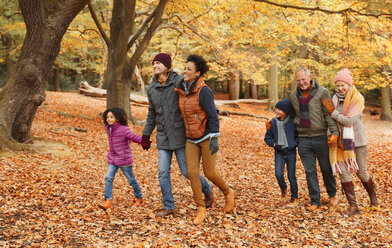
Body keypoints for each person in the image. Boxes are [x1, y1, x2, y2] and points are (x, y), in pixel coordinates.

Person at [142, 53, 213, 217]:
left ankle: (207, 188)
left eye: (158, 63)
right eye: (153, 63)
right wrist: (146, 135)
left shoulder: (180, 82)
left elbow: (195, 98)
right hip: (163, 136)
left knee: (187, 171)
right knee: (162, 172)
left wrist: (202, 119)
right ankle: (168, 205)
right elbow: (151, 114)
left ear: (167, 66)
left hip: (181, 134)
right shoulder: (151, 88)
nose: (155, 66)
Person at [175, 54, 235, 225]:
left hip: (206, 136)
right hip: (190, 138)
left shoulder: (204, 90)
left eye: (189, 69)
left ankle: (227, 192)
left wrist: (215, 136)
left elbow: (213, 115)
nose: (185, 71)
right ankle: (200, 208)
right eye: (185, 68)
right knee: (191, 173)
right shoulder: (181, 89)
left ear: (197, 73)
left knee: (210, 173)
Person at [322, 68, 380, 216]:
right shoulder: (334, 99)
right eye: (338, 85)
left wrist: (333, 113)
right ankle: (353, 206)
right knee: (343, 172)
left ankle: (374, 199)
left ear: (348, 84)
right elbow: (331, 121)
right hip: (340, 142)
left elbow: (350, 121)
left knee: (362, 172)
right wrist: (331, 135)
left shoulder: (357, 98)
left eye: (343, 85)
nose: (340, 88)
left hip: (358, 141)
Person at [289, 67, 339, 211]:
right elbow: (291, 116)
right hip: (303, 139)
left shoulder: (323, 92)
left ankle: (332, 194)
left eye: (303, 79)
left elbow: (329, 113)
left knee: (326, 168)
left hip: (321, 137)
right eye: (298, 80)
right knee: (309, 171)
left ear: (309, 77)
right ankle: (315, 201)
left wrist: (334, 132)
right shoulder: (293, 96)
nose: (301, 82)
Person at [98, 107, 144, 211]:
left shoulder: (124, 129)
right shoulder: (109, 128)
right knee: (108, 178)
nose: (109, 119)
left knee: (131, 180)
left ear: (118, 118)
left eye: (111, 117)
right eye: (107, 117)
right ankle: (108, 201)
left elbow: (134, 137)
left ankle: (139, 198)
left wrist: (144, 141)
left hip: (124, 160)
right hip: (113, 159)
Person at [264, 99, 299, 204]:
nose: (277, 111)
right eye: (276, 108)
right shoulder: (273, 123)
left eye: (280, 109)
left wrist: (294, 143)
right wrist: (274, 144)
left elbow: (298, 135)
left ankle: (294, 196)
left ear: (286, 111)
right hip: (279, 152)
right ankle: (283, 189)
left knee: (291, 176)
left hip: (291, 152)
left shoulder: (293, 122)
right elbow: (267, 137)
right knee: (278, 174)